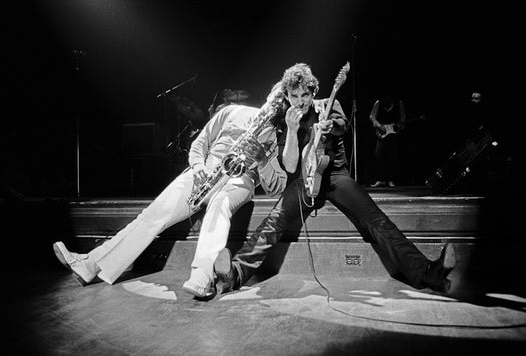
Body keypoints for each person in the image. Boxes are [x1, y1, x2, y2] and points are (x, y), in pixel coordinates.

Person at [214, 63, 457, 296]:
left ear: (313, 91)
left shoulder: (328, 105)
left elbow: (343, 126)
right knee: (273, 222)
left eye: (305, 95)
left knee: (376, 219)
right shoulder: (285, 120)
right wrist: (290, 129)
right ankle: (234, 274)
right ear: (287, 96)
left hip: (335, 178)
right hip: (303, 181)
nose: (300, 101)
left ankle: (428, 273)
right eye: (294, 96)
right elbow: (289, 166)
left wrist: (330, 126)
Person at [52, 93, 288, 299]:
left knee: (219, 208)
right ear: (270, 97)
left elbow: (275, 187)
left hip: (240, 179)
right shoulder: (230, 111)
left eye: (282, 106)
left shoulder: (276, 137)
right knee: (152, 215)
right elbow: (199, 144)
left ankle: (202, 277)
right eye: (277, 101)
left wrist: (262, 159)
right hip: (206, 170)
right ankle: (90, 264)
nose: (277, 108)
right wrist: (198, 167)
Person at [368, 95, 407, 187]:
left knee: (392, 156)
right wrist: (378, 125)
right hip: (382, 132)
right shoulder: (378, 103)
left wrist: (400, 124)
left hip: (394, 133)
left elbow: (403, 117)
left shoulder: (399, 103)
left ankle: (390, 179)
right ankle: (380, 179)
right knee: (378, 155)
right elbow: (372, 116)